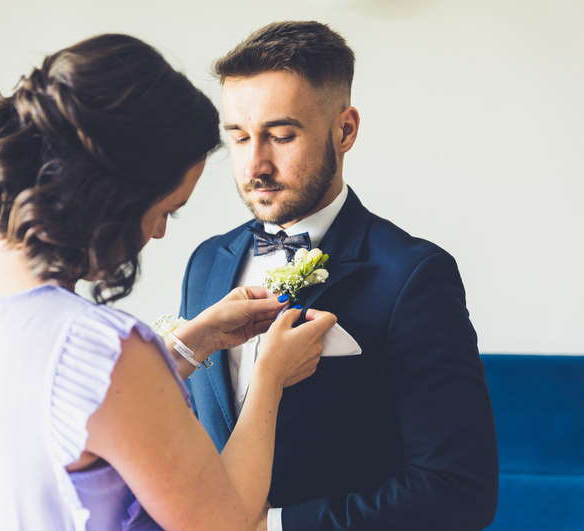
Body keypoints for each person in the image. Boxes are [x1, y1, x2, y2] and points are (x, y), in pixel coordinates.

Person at [0, 33, 337, 531]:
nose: (158, 233)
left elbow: (69, 409)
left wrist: (198, 339)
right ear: (117, 198)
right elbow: (229, 522)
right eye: (167, 211)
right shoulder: (100, 349)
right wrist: (269, 377)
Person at [180, 21, 499, 530]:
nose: (255, 164)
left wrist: (273, 526)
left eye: (281, 136)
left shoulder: (414, 276)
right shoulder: (206, 262)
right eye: (238, 137)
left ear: (345, 130)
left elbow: (458, 490)